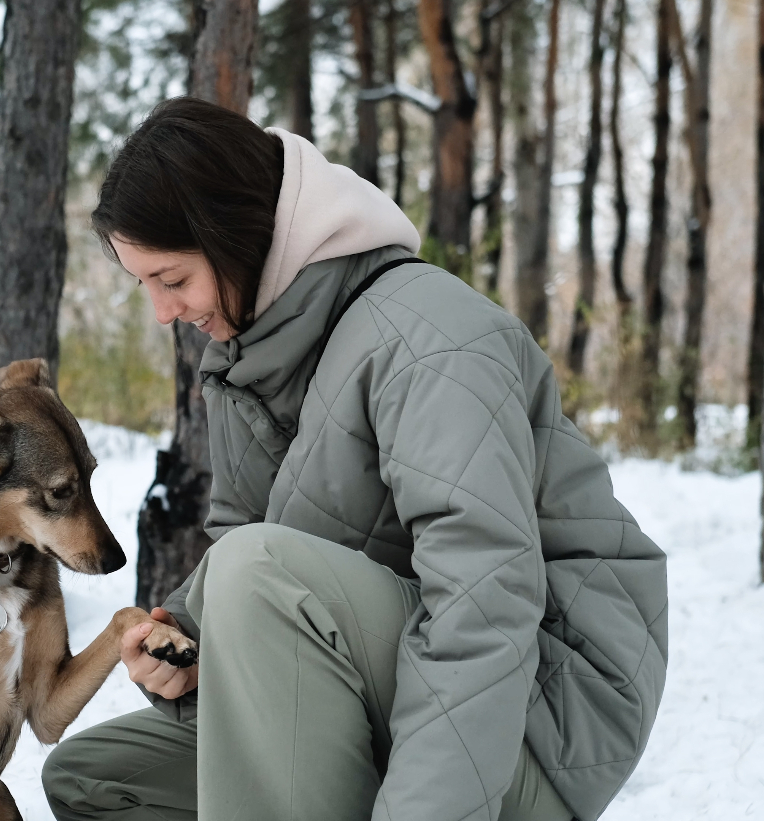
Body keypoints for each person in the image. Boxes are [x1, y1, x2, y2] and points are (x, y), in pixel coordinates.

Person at [42, 97, 667, 821]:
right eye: (143, 285)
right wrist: (187, 646)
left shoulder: (430, 336)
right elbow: (269, 579)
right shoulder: (250, 366)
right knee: (95, 779)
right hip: (390, 689)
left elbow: (484, 605)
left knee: (258, 571)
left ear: (238, 235)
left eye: (174, 280)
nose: (162, 313)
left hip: (537, 722)